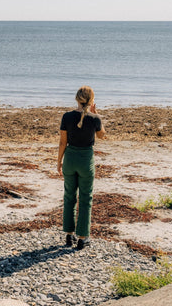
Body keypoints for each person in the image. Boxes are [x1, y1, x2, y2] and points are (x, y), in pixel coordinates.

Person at [57, 86, 105, 250]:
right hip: (85, 160)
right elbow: (102, 135)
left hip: (70, 158)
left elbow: (63, 142)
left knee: (69, 196)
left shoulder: (67, 116)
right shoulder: (94, 118)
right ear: (91, 100)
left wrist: (59, 161)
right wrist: (97, 114)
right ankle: (82, 238)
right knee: (85, 198)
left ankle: (69, 235)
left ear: (77, 99)